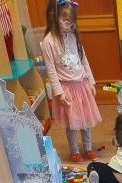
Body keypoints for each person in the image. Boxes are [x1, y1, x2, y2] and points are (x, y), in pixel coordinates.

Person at [41, 0, 102, 163]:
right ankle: (74, 151)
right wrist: (59, 93)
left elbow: (83, 59)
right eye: (65, 21)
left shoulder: (73, 36)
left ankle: (88, 148)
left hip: (82, 85)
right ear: (53, 16)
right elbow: (51, 70)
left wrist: (91, 81)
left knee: (86, 121)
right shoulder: (48, 42)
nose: (69, 25)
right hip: (66, 89)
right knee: (72, 123)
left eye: (72, 21)